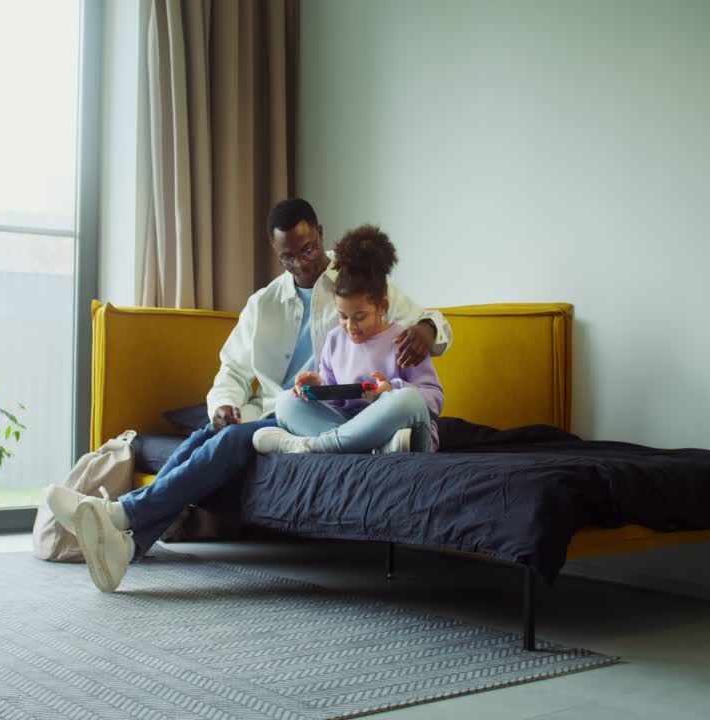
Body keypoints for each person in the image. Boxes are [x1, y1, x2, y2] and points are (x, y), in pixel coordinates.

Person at [48, 198, 453, 592]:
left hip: (325, 417)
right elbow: (233, 370)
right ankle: (129, 539)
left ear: (320, 235)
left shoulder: (356, 280)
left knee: (230, 441)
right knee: (207, 434)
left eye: (308, 249)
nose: (302, 263)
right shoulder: (264, 303)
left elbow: (428, 322)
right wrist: (223, 405)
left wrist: (426, 330)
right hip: (287, 407)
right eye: (288, 257)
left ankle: (123, 513)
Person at [252, 225, 443, 455]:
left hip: (401, 429)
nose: (350, 327)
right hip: (353, 428)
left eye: (360, 317)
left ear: (382, 307)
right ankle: (370, 447)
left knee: (408, 400)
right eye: (343, 316)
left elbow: (434, 399)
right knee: (285, 403)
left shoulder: (404, 340)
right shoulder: (334, 340)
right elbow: (333, 403)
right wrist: (318, 388)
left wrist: (390, 390)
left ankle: (317, 446)